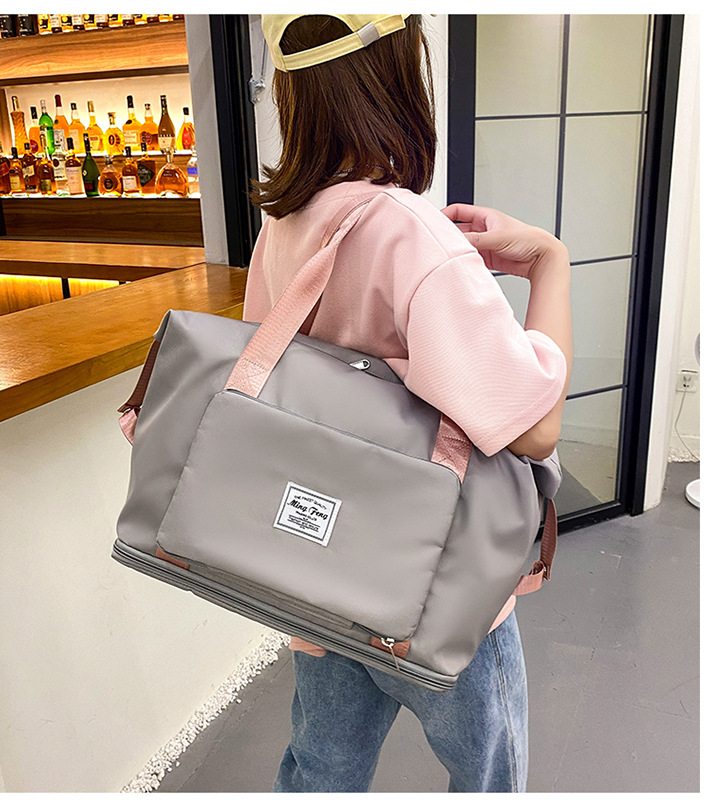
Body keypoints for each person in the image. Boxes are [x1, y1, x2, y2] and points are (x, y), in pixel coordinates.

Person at [244, 14, 573, 793]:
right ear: (397, 69)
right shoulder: (412, 232)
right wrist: (549, 261)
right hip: (433, 585)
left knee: (321, 772)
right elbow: (535, 427)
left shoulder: (284, 225)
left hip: (324, 573)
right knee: (489, 775)